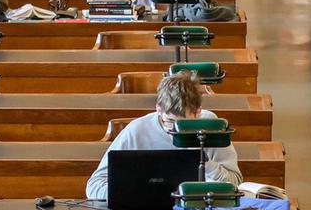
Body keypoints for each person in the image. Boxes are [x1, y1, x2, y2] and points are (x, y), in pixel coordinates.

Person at [84, 70, 240, 201]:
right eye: (170, 122)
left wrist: (205, 162)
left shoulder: (211, 126)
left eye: (183, 124)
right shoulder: (136, 131)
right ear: (158, 109)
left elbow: (235, 183)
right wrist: (131, 195)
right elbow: (94, 185)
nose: (175, 131)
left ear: (198, 111)